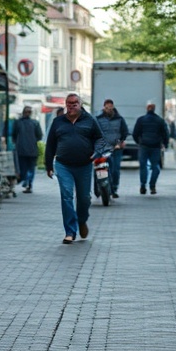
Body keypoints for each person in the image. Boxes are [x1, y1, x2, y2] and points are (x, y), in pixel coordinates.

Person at [44, 93, 102, 243]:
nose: (72, 106)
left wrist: (97, 152)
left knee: (84, 198)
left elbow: (99, 139)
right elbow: (50, 144)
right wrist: (48, 165)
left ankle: (82, 220)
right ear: (66, 105)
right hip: (63, 165)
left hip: (84, 165)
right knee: (67, 195)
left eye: (75, 103)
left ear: (80, 104)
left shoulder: (90, 120)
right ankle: (70, 231)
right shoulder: (58, 122)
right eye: (69, 103)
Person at [94, 99, 129, 197]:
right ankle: (98, 187)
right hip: (102, 149)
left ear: (113, 107)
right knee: (99, 168)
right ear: (104, 107)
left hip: (116, 149)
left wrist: (121, 141)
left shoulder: (119, 119)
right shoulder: (98, 119)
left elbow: (124, 131)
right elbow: (94, 132)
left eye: (110, 108)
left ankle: (114, 189)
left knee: (115, 170)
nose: (108, 110)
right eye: (107, 108)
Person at [132, 102, 169, 194]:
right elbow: (165, 133)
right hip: (155, 147)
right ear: (154, 109)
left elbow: (135, 133)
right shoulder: (160, 120)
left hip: (144, 146)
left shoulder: (141, 120)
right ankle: (152, 186)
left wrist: (139, 142)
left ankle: (143, 186)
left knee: (143, 166)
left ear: (147, 109)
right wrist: (165, 144)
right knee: (155, 167)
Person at [13, 106, 43, 193]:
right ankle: (28, 183)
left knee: (24, 168)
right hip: (32, 150)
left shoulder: (18, 122)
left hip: (22, 150)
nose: (27, 113)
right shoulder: (35, 123)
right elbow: (39, 136)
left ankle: (26, 181)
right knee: (31, 168)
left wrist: (18, 142)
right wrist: (32, 140)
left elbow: (14, 135)